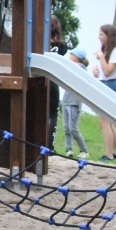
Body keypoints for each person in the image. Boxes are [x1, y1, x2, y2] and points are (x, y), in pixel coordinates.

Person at [90, 24, 116, 162]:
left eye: (101, 35)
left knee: (104, 122)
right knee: (109, 122)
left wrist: (101, 57)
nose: (99, 37)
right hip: (105, 84)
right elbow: (103, 72)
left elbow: (108, 71)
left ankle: (108, 155)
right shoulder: (108, 51)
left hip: (110, 85)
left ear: (109, 36)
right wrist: (96, 70)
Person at [60, 48, 89, 159]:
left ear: (75, 57)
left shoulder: (81, 68)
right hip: (66, 100)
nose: (69, 57)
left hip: (74, 102)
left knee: (73, 128)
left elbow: (79, 68)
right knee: (66, 128)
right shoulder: (72, 67)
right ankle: (69, 149)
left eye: (71, 54)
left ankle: (84, 150)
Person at [47, 15, 67, 149]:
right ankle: (50, 145)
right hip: (53, 81)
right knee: (53, 115)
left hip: (40, 79)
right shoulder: (62, 46)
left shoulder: (39, 42)